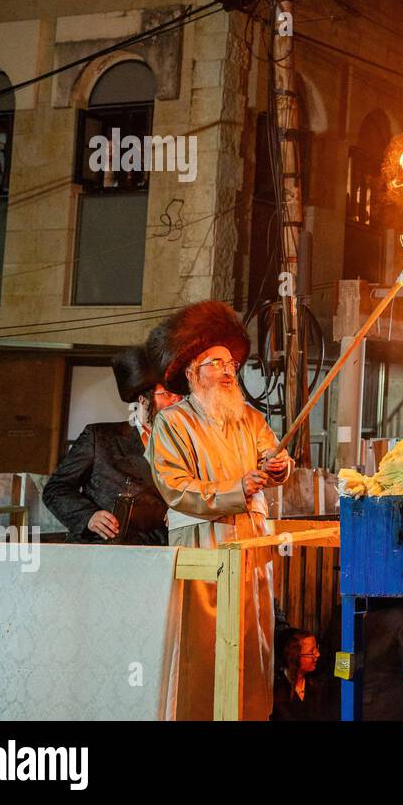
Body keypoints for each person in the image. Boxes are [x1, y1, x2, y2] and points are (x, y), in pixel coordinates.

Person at [146, 300, 294, 720]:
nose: (229, 371)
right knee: (205, 644)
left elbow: (274, 454)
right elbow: (175, 488)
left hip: (251, 545)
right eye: (216, 363)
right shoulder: (173, 423)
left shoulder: (249, 417)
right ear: (193, 372)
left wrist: (280, 466)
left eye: (231, 363)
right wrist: (236, 489)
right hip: (203, 547)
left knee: (254, 638)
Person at [43, 343, 181, 544]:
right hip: (103, 548)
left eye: (178, 397)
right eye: (166, 395)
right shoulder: (100, 437)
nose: (175, 403)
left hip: (157, 551)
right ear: (143, 400)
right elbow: (56, 489)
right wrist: (88, 516)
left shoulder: (181, 447)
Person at [272, 629, 330, 720]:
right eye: (312, 652)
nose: (318, 654)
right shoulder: (277, 689)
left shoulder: (316, 684)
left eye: (317, 649)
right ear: (295, 656)